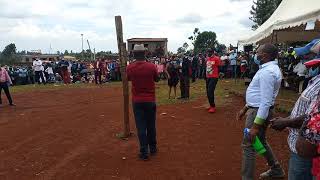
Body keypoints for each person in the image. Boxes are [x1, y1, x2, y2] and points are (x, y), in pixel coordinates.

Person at [237, 44, 285, 179]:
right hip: (257, 109)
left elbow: (265, 101)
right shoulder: (267, 69)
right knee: (261, 141)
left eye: (257, 52)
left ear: (264, 55)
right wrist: (245, 108)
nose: (255, 55)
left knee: (248, 145)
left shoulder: (267, 72)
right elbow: (259, 95)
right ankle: (276, 169)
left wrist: (256, 126)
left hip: (258, 112)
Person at [270, 61, 320, 180]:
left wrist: (286, 122)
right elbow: (306, 112)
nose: (310, 65)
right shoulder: (316, 79)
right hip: (302, 150)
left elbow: (311, 118)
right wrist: (287, 119)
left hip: (307, 153)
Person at [126, 44, 159, 161]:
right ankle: (153, 148)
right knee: (151, 125)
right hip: (150, 100)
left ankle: (144, 151)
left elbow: (128, 78)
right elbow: (157, 79)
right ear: (145, 53)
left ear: (134, 54)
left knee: (141, 127)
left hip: (137, 101)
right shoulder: (151, 66)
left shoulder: (130, 67)